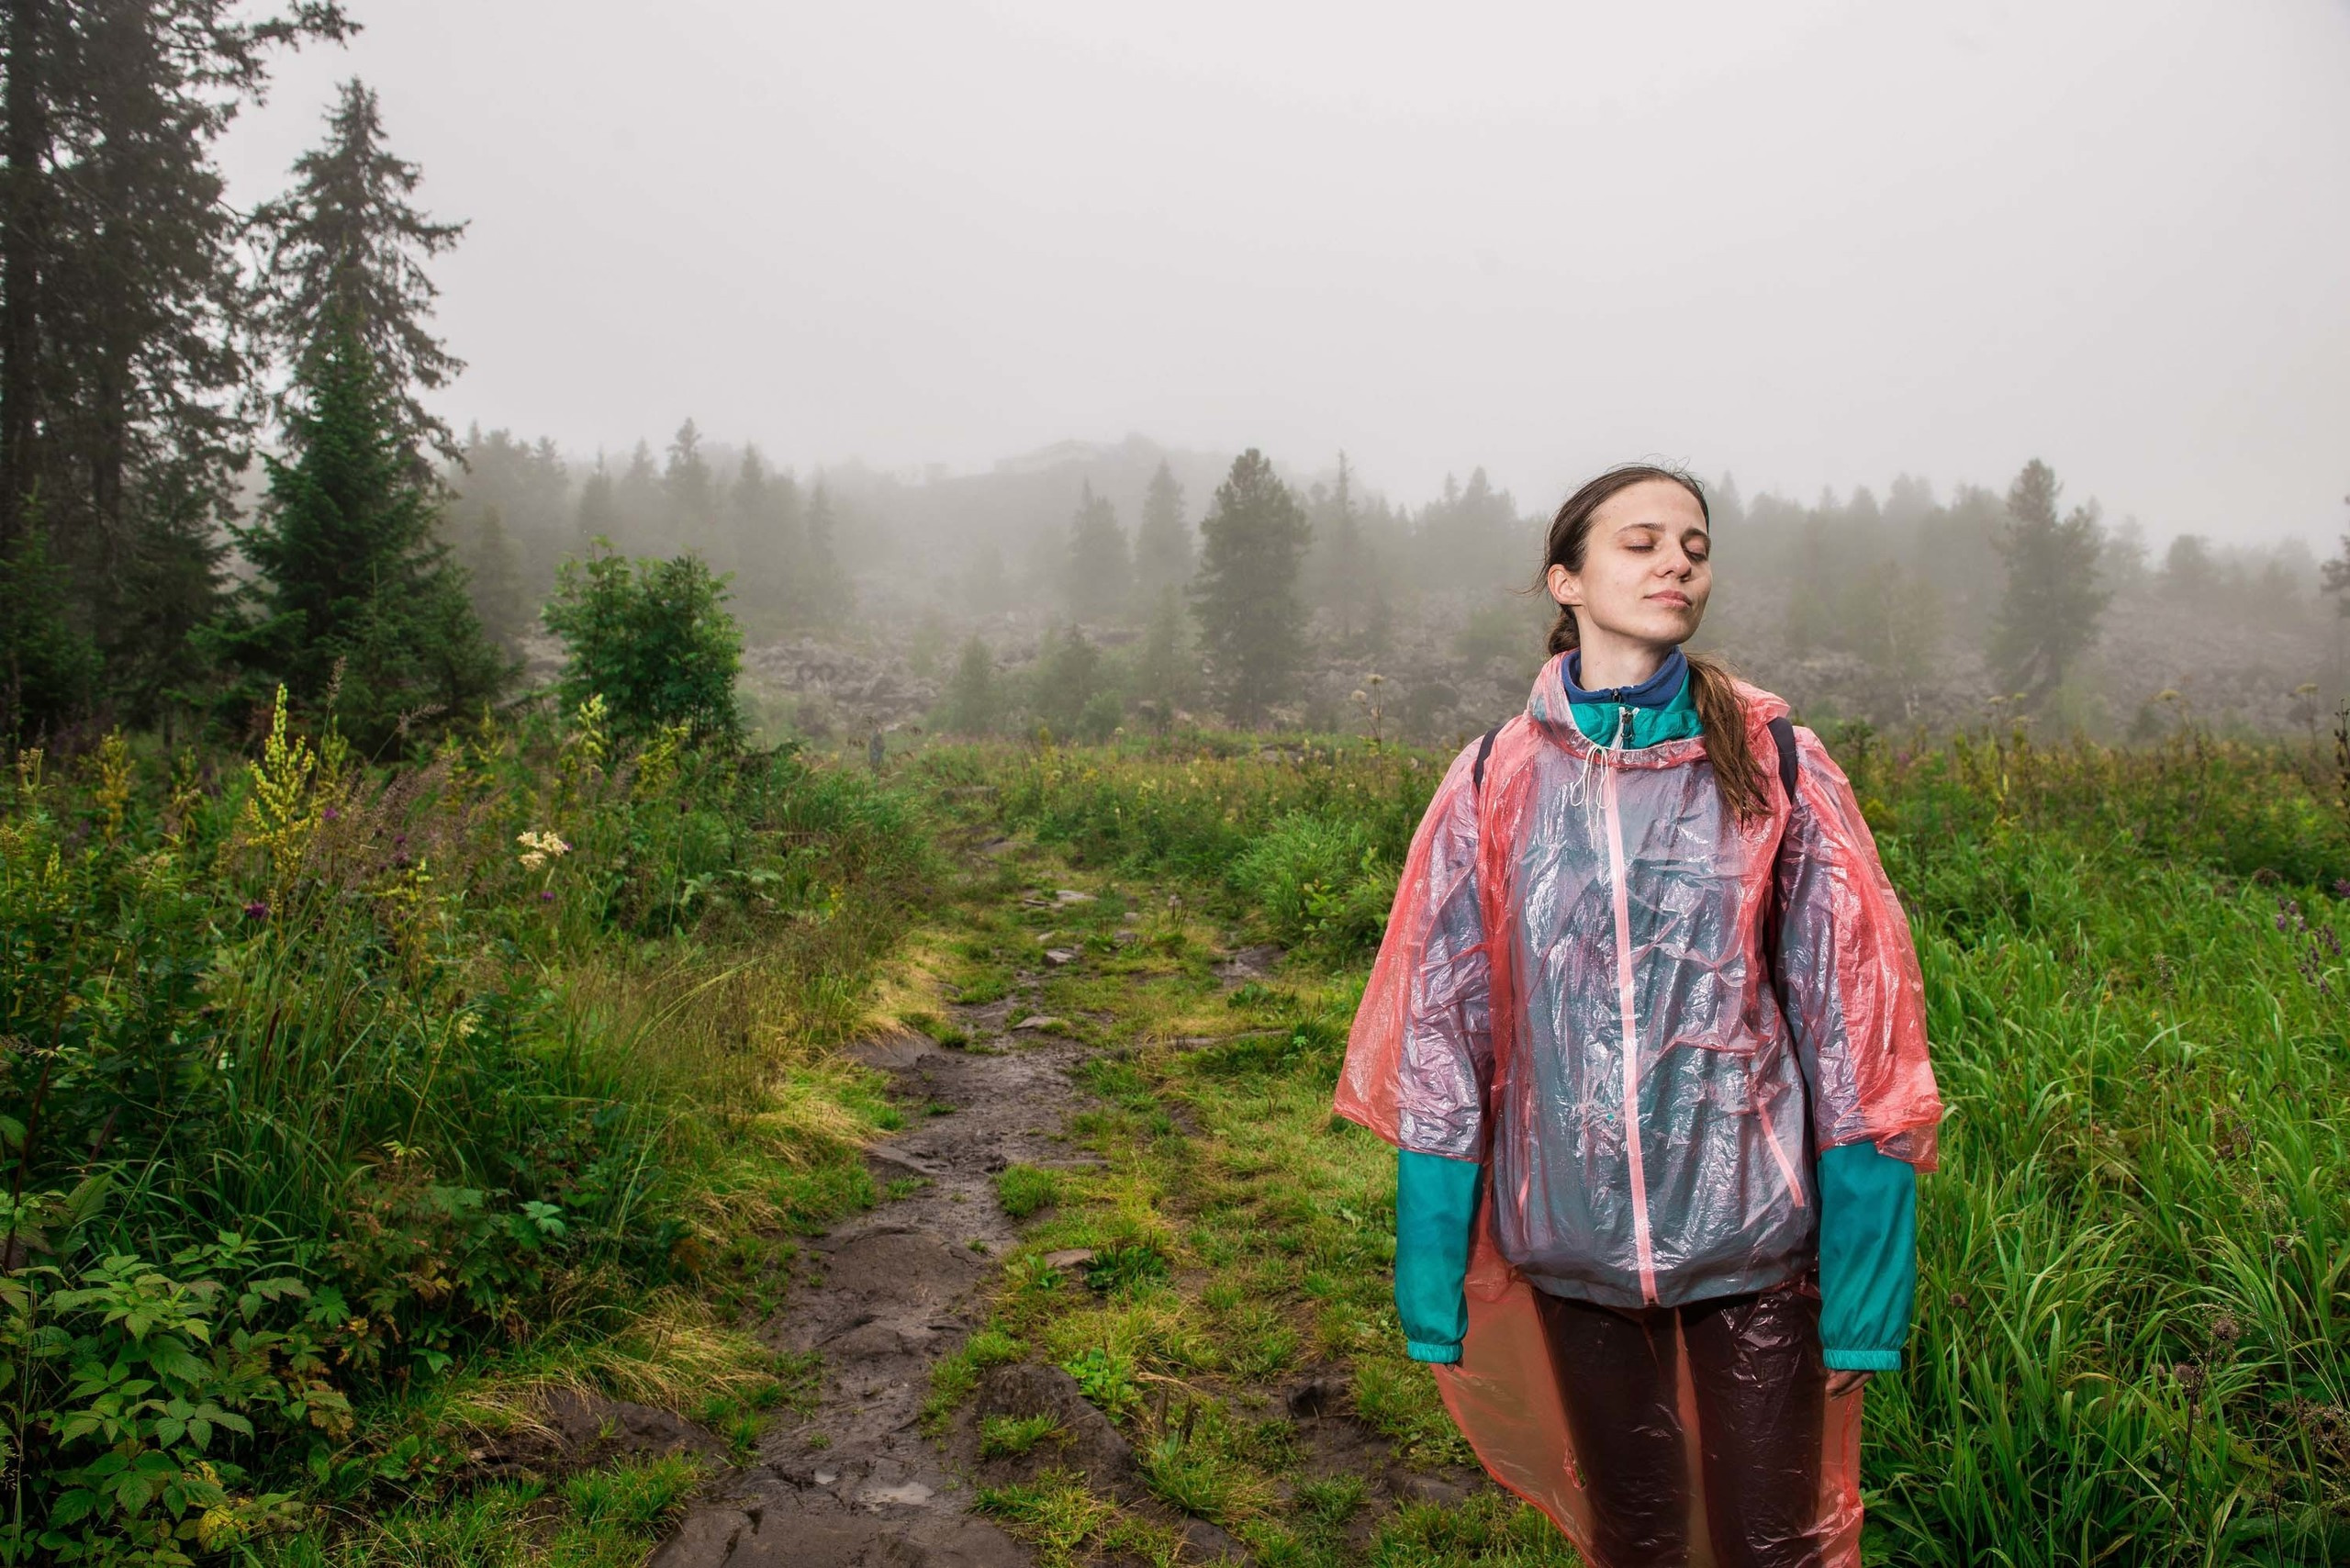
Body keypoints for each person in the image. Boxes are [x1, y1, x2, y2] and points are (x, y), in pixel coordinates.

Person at [1333, 464, 1942, 1568]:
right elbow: (1438, 1034)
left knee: (1773, 1545)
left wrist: (1862, 1288)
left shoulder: (1775, 766)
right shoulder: (1491, 780)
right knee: (1637, 1539)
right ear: (1564, 578)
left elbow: (1862, 1032)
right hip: (1569, 1246)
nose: (1676, 563)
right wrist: (1430, 1266)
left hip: (1755, 1247)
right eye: (1642, 541)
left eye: (1695, 548)